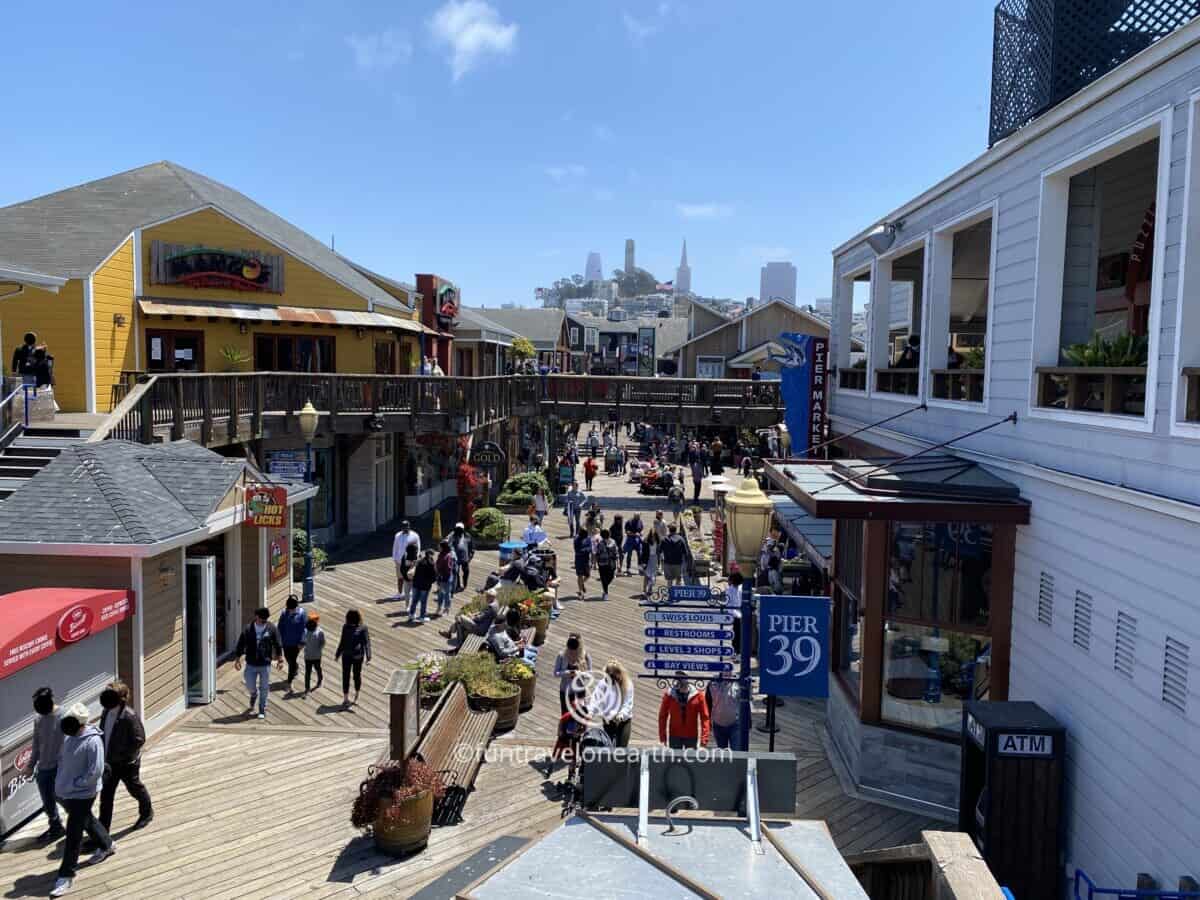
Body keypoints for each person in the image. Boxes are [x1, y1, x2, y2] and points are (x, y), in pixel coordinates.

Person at [51, 703, 115, 897]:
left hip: (82, 793)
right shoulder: (70, 737)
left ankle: (66, 876)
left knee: (73, 833)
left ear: (79, 723)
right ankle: (107, 844)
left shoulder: (93, 742)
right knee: (87, 819)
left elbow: (95, 771)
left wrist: (76, 784)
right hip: (66, 792)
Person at [96, 681, 152, 832]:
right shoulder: (106, 712)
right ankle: (102, 833)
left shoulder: (129, 716)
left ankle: (147, 813)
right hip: (109, 763)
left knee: (135, 788)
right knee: (106, 798)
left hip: (127, 764)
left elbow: (139, 739)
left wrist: (122, 755)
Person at [233, 607, 284, 719]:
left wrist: (280, 659)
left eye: (266, 619)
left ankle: (262, 708)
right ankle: (253, 694)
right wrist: (237, 659)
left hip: (265, 664)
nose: (264, 621)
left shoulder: (271, 628)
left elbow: (277, 644)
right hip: (251, 663)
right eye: (262, 619)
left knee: (264, 687)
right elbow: (241, 644)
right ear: (256, 617)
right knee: (249, 684)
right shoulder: (248, 629)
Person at [28, 687, 64, 841]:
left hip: (61, 767)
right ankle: (56, 827)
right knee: (47, 801)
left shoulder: (64, 716)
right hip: (43, 768)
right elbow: (36, 744)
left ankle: (82, 823)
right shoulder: (39, 719)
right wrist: (30, 765)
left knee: (65, 799)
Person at [657, 672, 710, 750]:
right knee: (674, 761)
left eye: (681, 678)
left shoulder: (698, 696)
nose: (679, 681)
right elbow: (662, 716)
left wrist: (703, 741)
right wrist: (663, 738)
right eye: (677, 678)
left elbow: (705, 718)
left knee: (691, 761)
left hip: (691, 736)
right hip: (674, 736)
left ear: (687, 678)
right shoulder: (669, 695)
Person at [335, 609, 372, 707]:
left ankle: (356, 695)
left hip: (357, 656)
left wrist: (368, 656)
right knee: (345, 676)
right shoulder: (345, 627)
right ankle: (346, 698)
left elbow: (366, 643)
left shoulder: (363, 628)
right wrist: (338, 654)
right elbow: (342, 641)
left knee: (356, 675)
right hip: (347, 655)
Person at [276, 594, 307, 692]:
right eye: (289, 609)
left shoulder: (302, 613)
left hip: (297, 644)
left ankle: (289, 683)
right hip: (285, 642)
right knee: (289, 659)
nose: (291, 611)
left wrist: (302, 642)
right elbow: (280, 627)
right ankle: (296, 668)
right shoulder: (284, 613)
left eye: (293, 609)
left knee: (291, 662)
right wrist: (278, 640)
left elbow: (305, 629)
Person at [554, 633, 591, 714]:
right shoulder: (561, 655)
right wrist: (567, 673)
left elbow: (589, 676)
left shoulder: (585, 656)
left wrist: (580, 673)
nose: (571, 651)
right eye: (569, 648)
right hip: (565, 691)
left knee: (580, 715)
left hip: (579, 691)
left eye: (574, 649)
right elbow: (556, 673)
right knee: (565, 715)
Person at [602, 661, 635, 748]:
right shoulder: (604, 683)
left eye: (613, 677)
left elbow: (628, 704)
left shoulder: (628, 684)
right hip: (609, 719)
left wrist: (621, 715)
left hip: (624, 720)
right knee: (607, 747)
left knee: (622, 748)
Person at [705, 672, 740, 750]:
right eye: (724, 669)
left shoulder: (738, 682)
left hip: (735, 724)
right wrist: (708, 722)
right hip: (718, 724)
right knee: (722, 753)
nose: (727, 672)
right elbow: (708, 703)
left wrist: (748, 721)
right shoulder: (712, 683)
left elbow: (746, 703)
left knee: (736, 752)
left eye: (729, 670)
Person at [392, 521, 420, 601]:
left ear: (409, 526)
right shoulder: (397, 535)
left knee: (410, 577)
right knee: (400, 577)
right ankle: (399, 593)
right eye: (403, 526)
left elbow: (418, 547)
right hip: (399, 560)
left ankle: (410, 592)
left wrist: (415, 559)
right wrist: (395, 558)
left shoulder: (415, 535)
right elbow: (395, 547)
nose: (405, 527)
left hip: (410, 560)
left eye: (406, 526)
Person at [409, 547, 437, 623]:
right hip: (425, 586)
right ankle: (422, 617)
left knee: (414, 600)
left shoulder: (420, 561)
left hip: (416, 584)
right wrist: (430, 582)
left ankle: (411, 614)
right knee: (423, 602)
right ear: (430, 555)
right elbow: (434, 576)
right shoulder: (431, 563)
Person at [302, 614, 325, 697]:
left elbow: (322, 643)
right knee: (308, 672)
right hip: (310, 656)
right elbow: (322, 643)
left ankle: (320, 679)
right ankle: (307, 688)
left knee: (317, 668)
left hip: (314, 656)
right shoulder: (306, 631)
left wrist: (318, 649)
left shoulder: (320, 632)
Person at [594, 528, 619, 601]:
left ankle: (605, 588)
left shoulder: (613, 542)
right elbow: (597, 554)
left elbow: (616, 553)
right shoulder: (600, 543)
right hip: (602, 563)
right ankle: (605, 593)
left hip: (611, 563)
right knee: (603, 578)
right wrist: (595, 564)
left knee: (610, 577)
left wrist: (618, 563)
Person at [449, 522, 474, 593]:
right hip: (455, 558)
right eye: (457, 529)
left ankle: (465, 583)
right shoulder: (452, 536)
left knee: (466, 571)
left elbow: (471, 547)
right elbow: (448, 545)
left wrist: (470, 557)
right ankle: (458, 585)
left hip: (465, 558)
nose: (458, 530)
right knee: (456, 572)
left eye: (460, 529)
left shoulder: (467, 536)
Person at [725, 570, 745, 654]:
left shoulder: (742, 588)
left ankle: (740, 648)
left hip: (742, 613)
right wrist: (736, 614)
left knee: (741, 632)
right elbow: (728, 605)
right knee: (736, 631)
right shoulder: (729, 590)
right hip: (736, 614)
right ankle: (737, 649)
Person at [435, 540, 456, 616]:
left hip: (446, 579)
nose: (438, 547)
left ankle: (446, 609)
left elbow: (449, 568)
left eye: (439, 546)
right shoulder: (440, 554)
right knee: (440, 594)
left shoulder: (448, 556)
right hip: (440, 578)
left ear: (443, 547)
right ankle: (439, 607)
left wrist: (441, 573)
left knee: (447, 594)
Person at [573, 528, 593, 601]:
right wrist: (586, 550)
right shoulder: (576, 539)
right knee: (580, 575)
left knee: (588, 575)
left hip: (586, 559)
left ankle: (582, 584)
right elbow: (577, 550)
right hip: (579, 560)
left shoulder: (588, 538)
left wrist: (585, 550)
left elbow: (590, 548)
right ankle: (581, 592)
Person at [640, 530, 661, 597]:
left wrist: (659, 562)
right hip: (648, 559)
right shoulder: (646, 542)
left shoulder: (658, 543)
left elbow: (659, 553)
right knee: (646, 575)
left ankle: (650, 589)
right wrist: (643, 563)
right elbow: (643, 552)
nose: (653, 537)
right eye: (652, 536)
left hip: (655, 559)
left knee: (654, 575)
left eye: (654, 536)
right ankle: (644, 590)